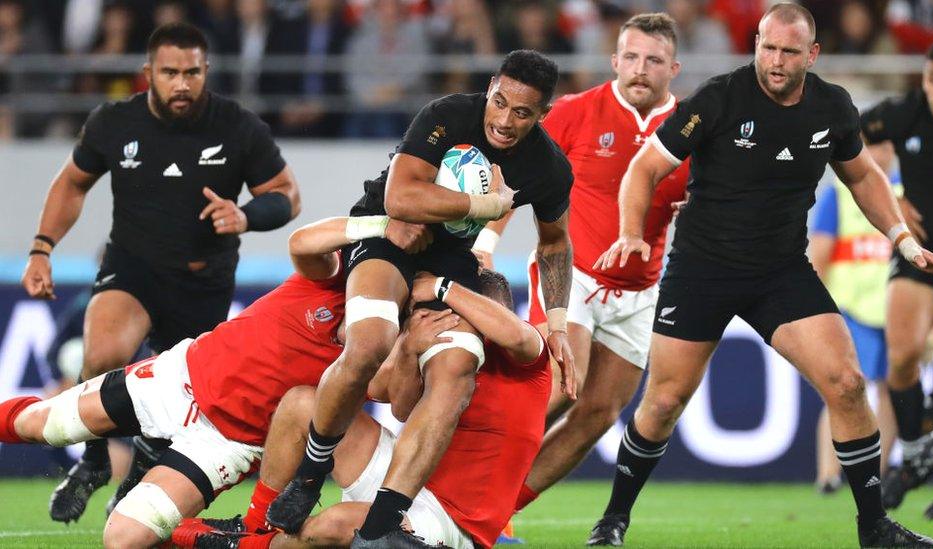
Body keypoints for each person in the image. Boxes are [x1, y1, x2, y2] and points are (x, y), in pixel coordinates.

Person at [589, 4, 933, 547]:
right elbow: (646, 167)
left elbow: (864, 177)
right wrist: (631, 231)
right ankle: (613, 519)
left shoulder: (832, 106)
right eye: (766, 47)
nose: (774, 61)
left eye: (787, 51)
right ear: (755, 44)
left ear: (812, 54)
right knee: (663, 403)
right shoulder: (720, 97)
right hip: (702, 269)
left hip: (779, 270)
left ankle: (874, 527)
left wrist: (902, 237)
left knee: (848, 384)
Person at [268, 50, 577, 547]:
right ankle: (309, 475)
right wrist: (490, 205)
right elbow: (400, 199)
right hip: (389, 236)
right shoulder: (446, 116)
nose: (504, 120)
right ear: (491, 88)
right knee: (368, 344)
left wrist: (558, 321)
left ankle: (385, 524)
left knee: (454, 369)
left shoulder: (547, 166)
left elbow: (556, 242)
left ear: (542, 114)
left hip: (450, 260)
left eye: (522, 113)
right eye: (499, 102)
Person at [0, 214, 428, 548]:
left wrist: (411, 342)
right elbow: (301, 241)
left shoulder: (385, 339)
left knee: (124, 538)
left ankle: (211, 540)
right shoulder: (333, 276)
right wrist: (379, 226)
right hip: (180, 379)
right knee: (41, 425)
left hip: (229, 441)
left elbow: (391, 396)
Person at [20, 21, 301, 522]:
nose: (182, 84)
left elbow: (286, 193)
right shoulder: (114, 122)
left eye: (192, 72)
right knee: (102, 352)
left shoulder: (237, 126)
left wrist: (246, 217)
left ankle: (137, 473)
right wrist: (42, 248)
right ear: (147, 73)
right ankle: (93, 460)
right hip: (133, 269)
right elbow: (72, 184)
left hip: (203, 281)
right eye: (170, 72)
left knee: (177, 405)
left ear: (206, 71)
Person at [175, 270, 551, 549]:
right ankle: (258, 526)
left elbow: (517, 333)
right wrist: (407, 349)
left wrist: (441, 286)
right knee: (306, 404)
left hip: (453, 521)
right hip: (405, 478)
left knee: (335, 523)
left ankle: (239, 547)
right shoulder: (446, 346)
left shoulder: (529, 358)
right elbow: (393, 401)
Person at [490, 13, 691, 514]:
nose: (640, 69)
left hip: (640, 290)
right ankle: (458, 487)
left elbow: (714, 196)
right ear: (614, 60)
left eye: (653, 60)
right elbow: (511, 178)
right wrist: (485, 242)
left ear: (674, 68)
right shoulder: (576, 112)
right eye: (631, 57)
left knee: (598, 413)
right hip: (571, 272)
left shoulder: (693, 127)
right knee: (561, 384)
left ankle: (494, 513)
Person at [859, 37, 933, 519]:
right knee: (902, 355)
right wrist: (891, 194)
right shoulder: (904, 112)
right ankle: (914, 454)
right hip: (920, 252)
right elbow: (846, 136)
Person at [808, 173, 899, 494]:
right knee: (842, 386)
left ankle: (879, 475)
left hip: (895, 306)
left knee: (891, 390)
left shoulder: (907, 188)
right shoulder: (839, 194)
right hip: (849, 307)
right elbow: (820, 253)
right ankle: (828, 474)